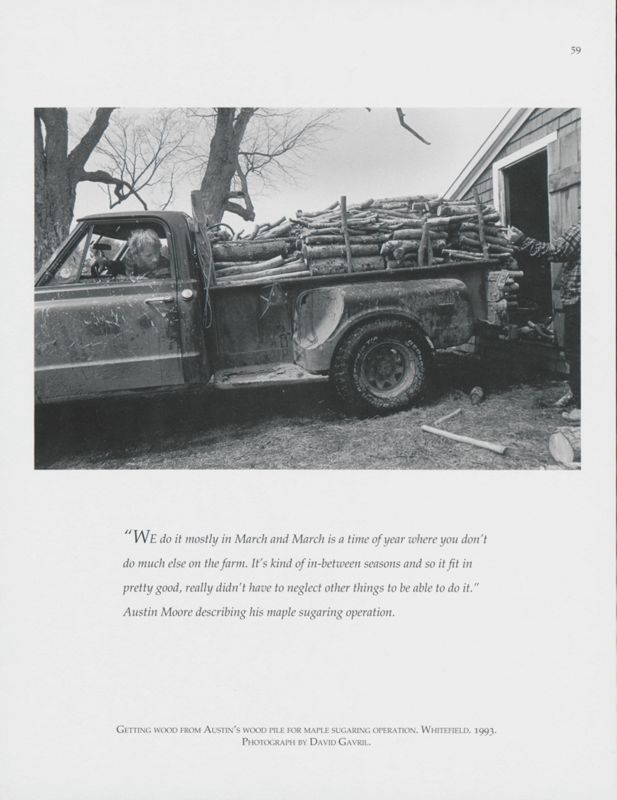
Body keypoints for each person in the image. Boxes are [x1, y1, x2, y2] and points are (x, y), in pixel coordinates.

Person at [507, 219, 581, 423]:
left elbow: (554, 252)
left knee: (576, 352)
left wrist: (522, 240)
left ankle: (583, 407)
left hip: (580, 301)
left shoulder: (582, 228)